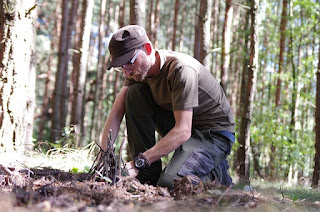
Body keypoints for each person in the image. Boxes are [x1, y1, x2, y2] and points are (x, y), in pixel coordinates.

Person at [100, 25, 235, 189]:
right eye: (122, 67)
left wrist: (139, 163)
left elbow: (183, 131)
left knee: (171, 184)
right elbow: (116, 112)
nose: (127, 72)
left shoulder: (181, 70)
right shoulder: (137, 71)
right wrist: (104, 158)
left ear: (148, 48)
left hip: (213, 135)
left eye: (129, 62)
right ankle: (147, 176)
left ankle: (217, 172)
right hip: (184, 126)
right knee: (134, 94)